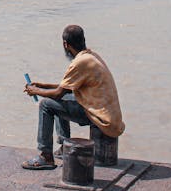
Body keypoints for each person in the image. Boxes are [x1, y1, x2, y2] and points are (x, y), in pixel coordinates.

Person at [22, 24, 125, 169]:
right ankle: (65, 146)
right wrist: (43, 86)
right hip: (107, 113)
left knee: (46, 104)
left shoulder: (79, 62)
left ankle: (45, 156)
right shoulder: (91, 56)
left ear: (65, 44)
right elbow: (66, 89)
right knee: (56, 100)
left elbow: (59, 93)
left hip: (101, 118)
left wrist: (35, 91)